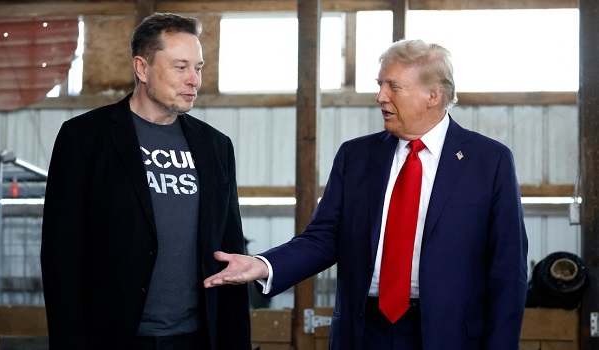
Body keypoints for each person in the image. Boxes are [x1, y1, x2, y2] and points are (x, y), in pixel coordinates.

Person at [204, 39, 528, 349]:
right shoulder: (356, 156)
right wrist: (264, 265)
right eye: (380, 84)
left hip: (448, 335)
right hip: (362, 333)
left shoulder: (489, 161)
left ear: (433, 95)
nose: (380, 97)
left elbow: (507, 269)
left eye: (393, 86)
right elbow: (323, 238)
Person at [41, 12, 251, 350]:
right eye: (180, 67)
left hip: (197, 337)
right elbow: (60, 257)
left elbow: (231, 249)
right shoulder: (84, 138)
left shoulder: (215, 145)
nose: (194, 81)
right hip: (115, 336)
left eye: (198, 68)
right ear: (142, 68)